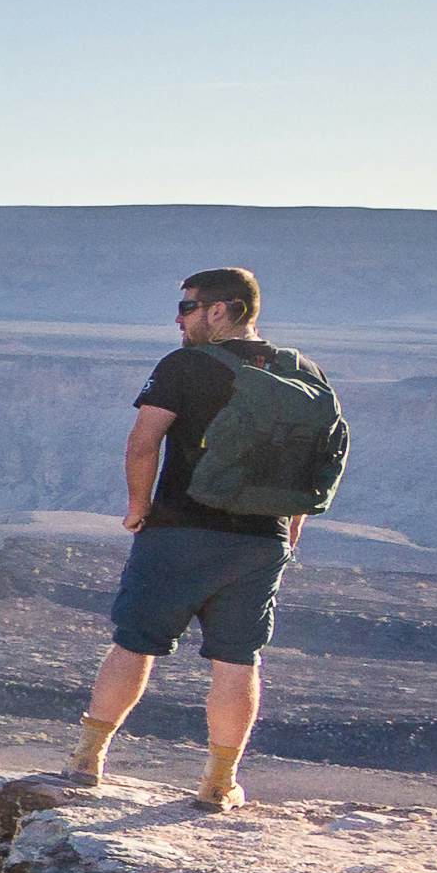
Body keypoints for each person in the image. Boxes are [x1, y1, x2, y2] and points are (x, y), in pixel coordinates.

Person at [66, 266, 313, 810]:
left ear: (221, 310)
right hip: (261, 542)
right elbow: (310, 464)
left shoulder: (184, 366)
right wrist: (290, 530)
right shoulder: (299, 372)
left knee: (135, 643)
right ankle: (218, 784)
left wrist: (138, 509)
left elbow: (143, 442)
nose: (178, 319)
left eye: (187, 307)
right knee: (237, 659)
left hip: (182, 530)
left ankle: (87, 759)